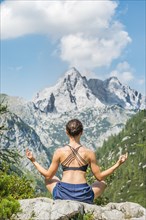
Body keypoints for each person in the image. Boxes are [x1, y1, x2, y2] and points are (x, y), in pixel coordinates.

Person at [26, 119, 128, 204]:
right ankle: (86, 201)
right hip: (83, 195)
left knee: (51, 178)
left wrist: (33, 160)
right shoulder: (89, 153)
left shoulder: (59, 152)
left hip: (63, 194)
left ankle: (59, 200)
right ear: (82, 132)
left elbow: (48, 176)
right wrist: (118, 163)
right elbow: (100, 177)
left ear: (66, 132)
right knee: (102, 183)